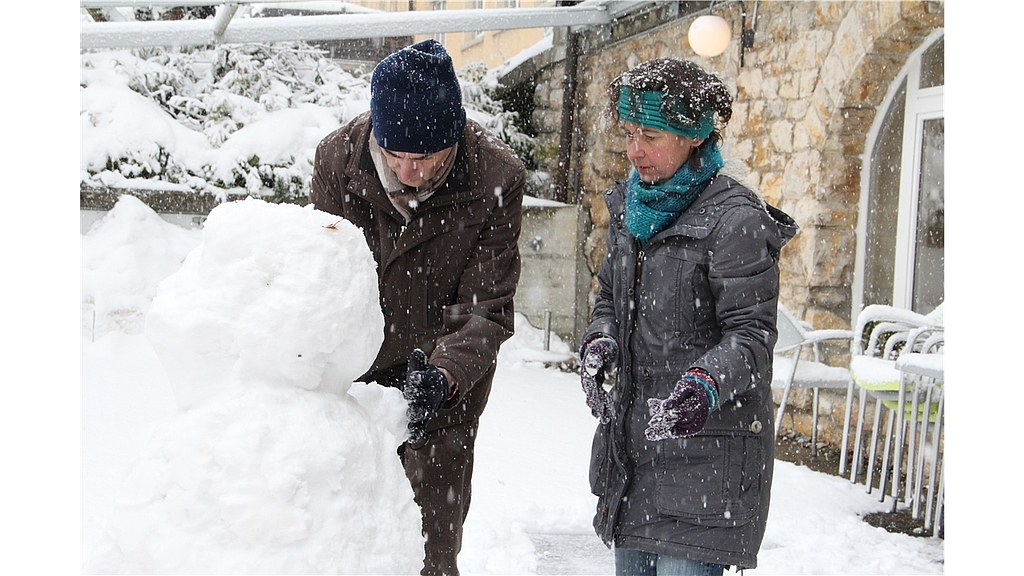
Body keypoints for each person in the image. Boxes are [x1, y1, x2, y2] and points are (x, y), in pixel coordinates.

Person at [310, 39, 525, 576]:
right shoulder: (339, 159)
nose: (409, 171)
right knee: (337, 536)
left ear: (452, 138)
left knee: (428, 545)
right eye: (394, 154)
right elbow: (321, 272)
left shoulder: (495, 177)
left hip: (445, 387)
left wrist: (445, 373)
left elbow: (488, 307)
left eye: (427, 157)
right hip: (354, 381)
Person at [579, 58, 799, 575]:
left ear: (694, 136)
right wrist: (601, 341)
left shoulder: (736, 219)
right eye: (630, 133)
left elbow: (751, 335)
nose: (635, 151)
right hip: (633, 458)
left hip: (707, 468)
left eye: (651, 135)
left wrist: (704, 384)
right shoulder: (632, 207)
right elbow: (611, 299)